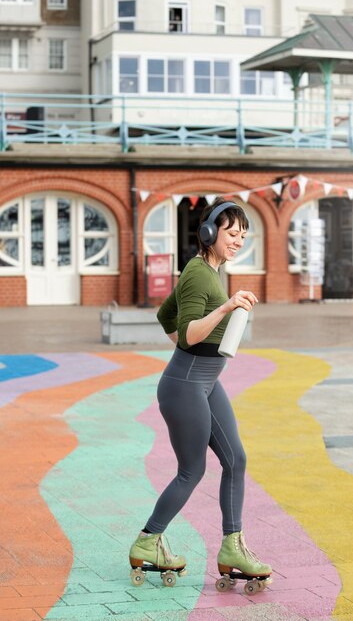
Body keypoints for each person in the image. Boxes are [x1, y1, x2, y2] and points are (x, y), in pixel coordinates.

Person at [129, 198, 272, 586]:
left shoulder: (209, 270)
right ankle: (148, 540)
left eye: (243, 234)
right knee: (192, 471)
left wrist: (198, 339)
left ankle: (232, 546)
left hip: (204, 381)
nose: (238, 240)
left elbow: (165, 316)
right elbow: (190, 333)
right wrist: (226, 308)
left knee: (236, 459)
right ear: (209, 232)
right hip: (184, 386)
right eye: (231, 233)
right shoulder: (199, 274)